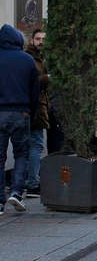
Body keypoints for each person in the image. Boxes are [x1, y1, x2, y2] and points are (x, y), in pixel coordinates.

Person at [0, 24, 39, 214]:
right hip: (21, 112)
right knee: (21, 154)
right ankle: (16, 192)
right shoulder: (27, 60)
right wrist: (31, 111)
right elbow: (35, 91)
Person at [24, 29, 49, 198]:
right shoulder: (29, 58)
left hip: (38, 106)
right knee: (37, 144)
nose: (40, 41)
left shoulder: (42, 58)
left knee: (31, 145)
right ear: (32, 41)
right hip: (34, 107)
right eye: (38, 39)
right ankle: (32, 183)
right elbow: (31, 82)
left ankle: (30, 180)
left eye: (43, 39)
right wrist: (47, 78)